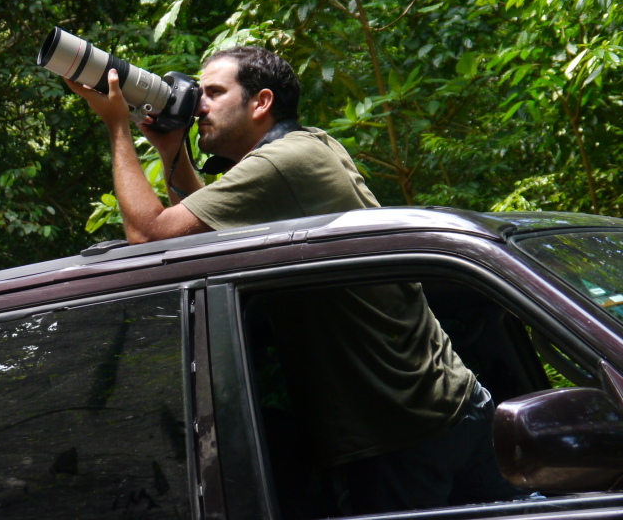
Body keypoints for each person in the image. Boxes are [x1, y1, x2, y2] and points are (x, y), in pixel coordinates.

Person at [67, 44, 519, 514]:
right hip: (447, 403)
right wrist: (172, 150)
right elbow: (197, 242)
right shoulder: (308, 146)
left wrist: (117, 126)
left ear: (261, 102)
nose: (199, 105)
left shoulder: (280, 163)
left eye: (214, 93)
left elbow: (149, 235)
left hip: (400, 431)